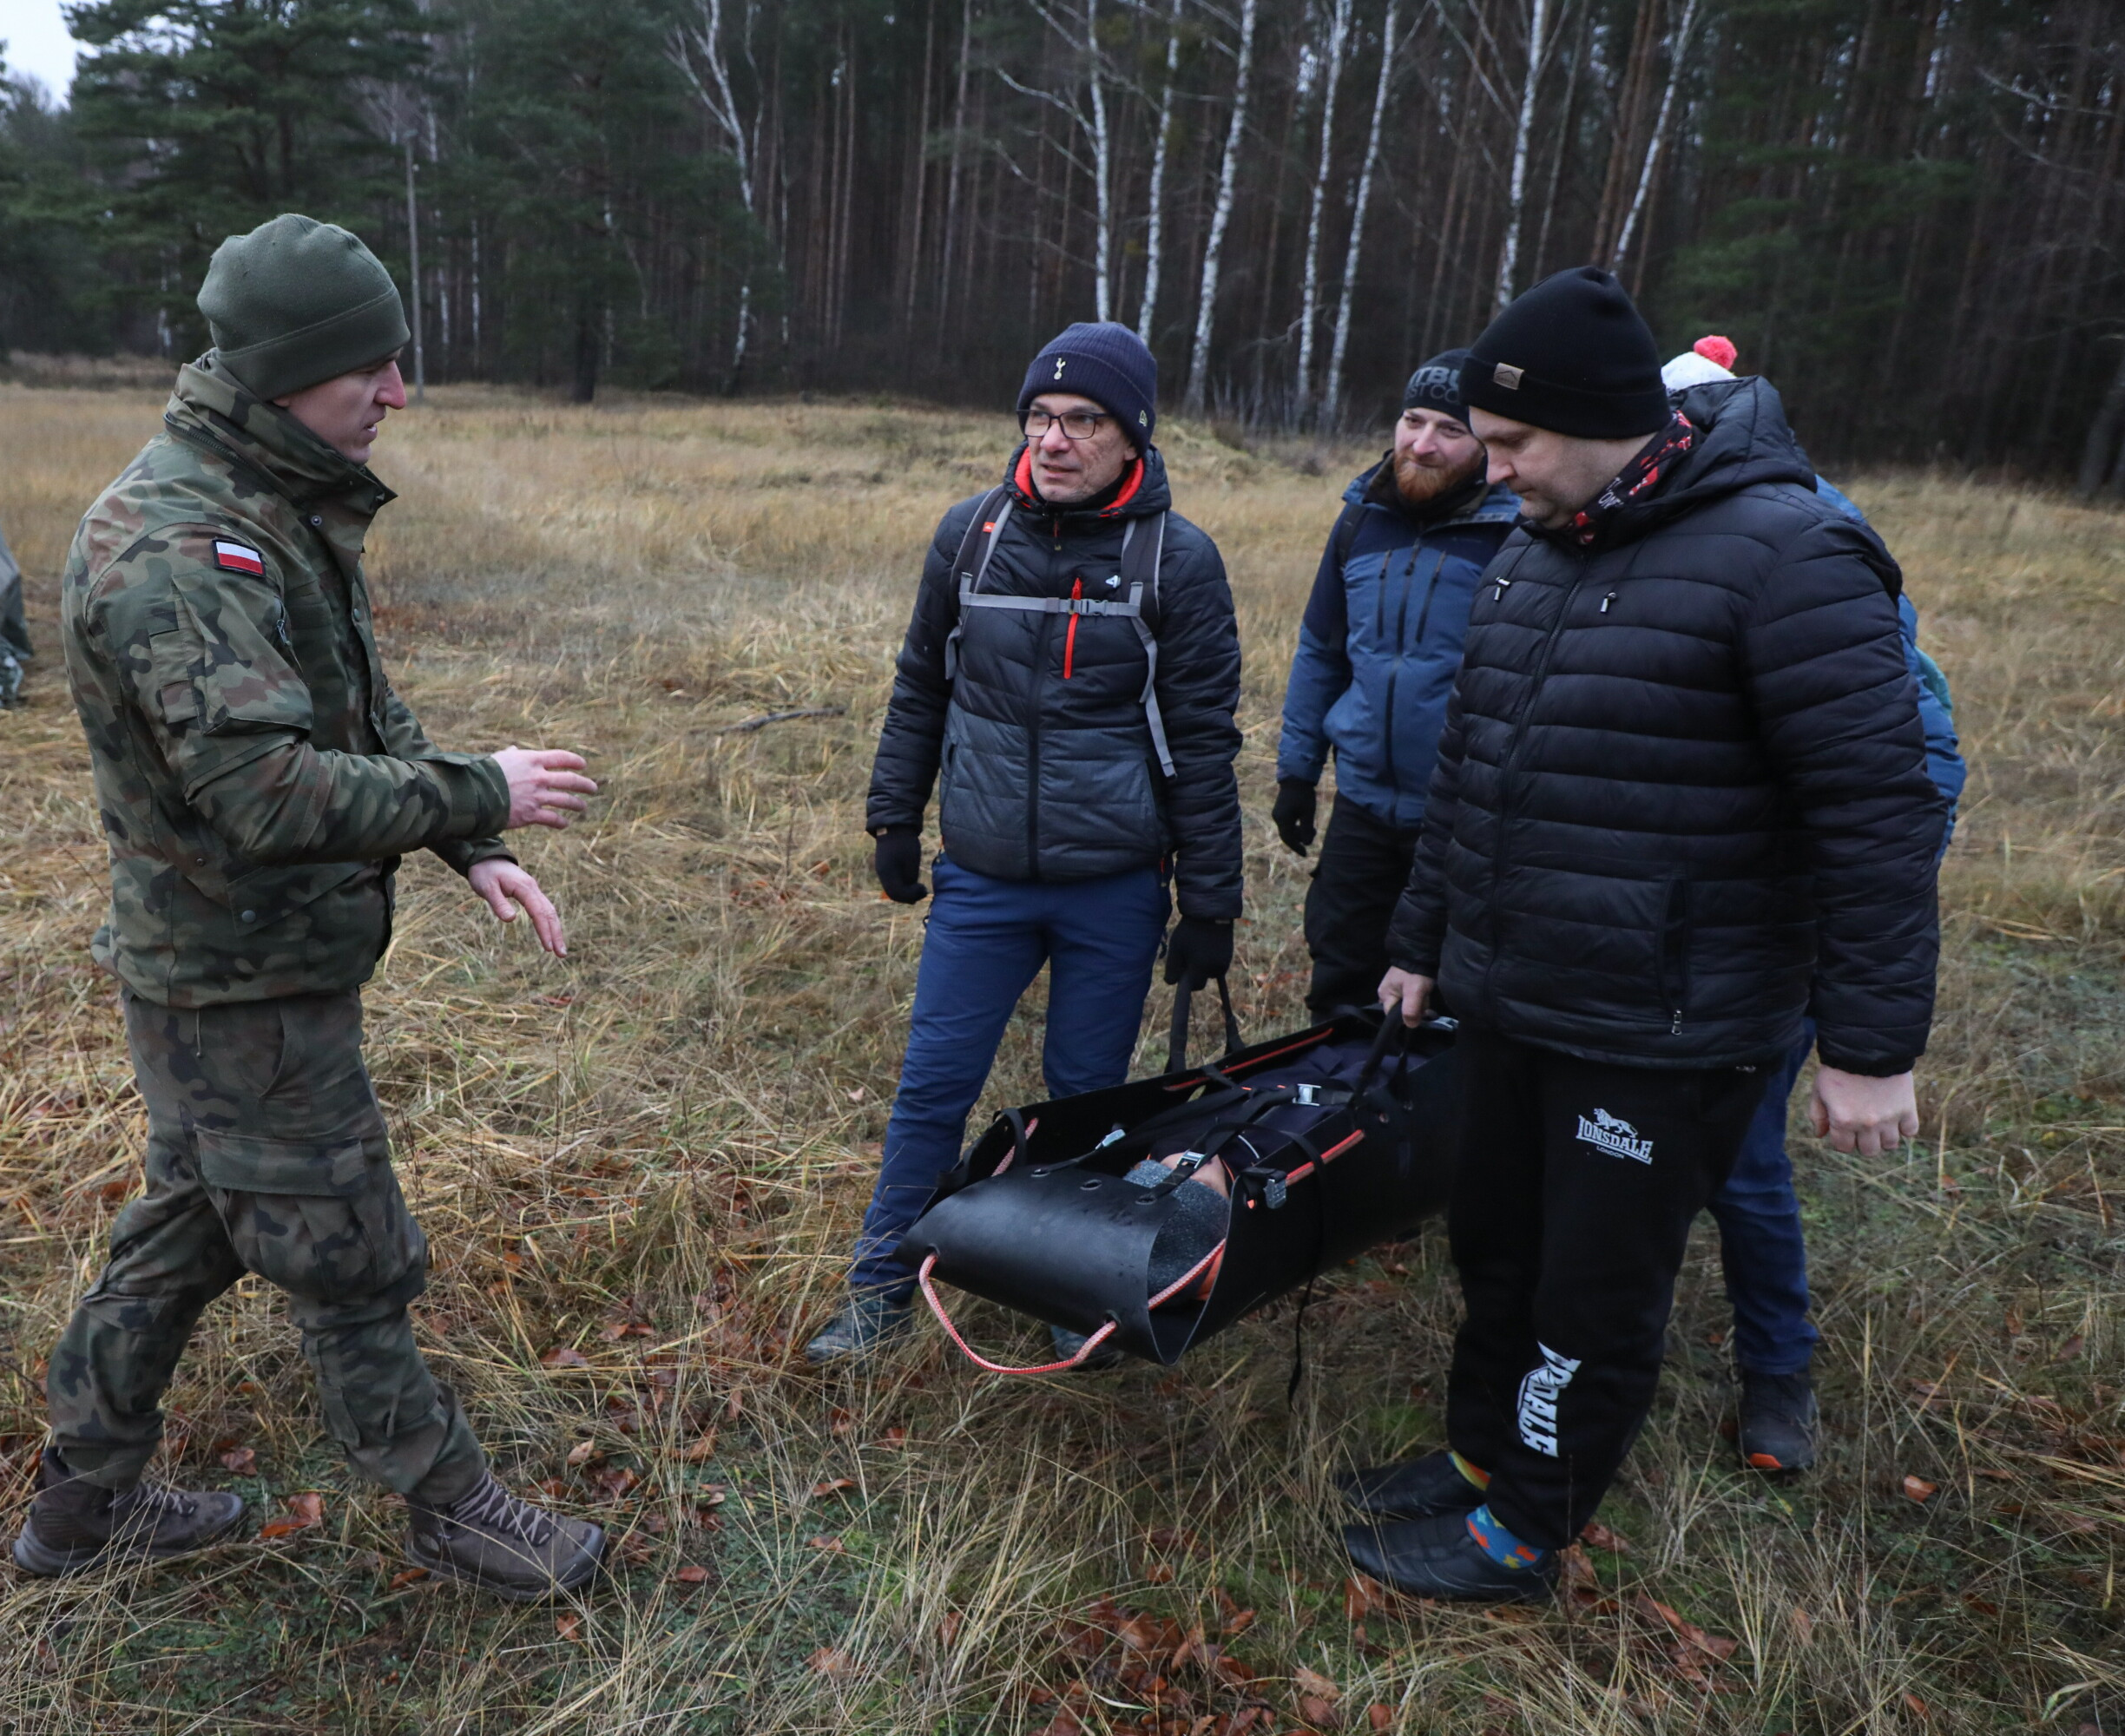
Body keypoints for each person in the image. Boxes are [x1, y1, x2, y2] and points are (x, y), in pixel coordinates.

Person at [10, 214, 609, 1601]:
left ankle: (77, 1516)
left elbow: (356, 705)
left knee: (182, 1238)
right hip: (237, 983)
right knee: (348, 1250)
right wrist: (486, 788)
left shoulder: (273, 493)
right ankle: (453, 1507)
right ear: (289, 371)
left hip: (246, 968)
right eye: (375, 368)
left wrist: (470, 843)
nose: (399, 392)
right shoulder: (174, 544)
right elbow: (267, 797)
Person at [1339, 267, 1946, 1602]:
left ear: (1606, 418)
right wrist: (1424, 933)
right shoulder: (1539, 545)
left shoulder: (1793, 555)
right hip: (1513, 991)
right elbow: (1471, 771)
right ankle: (1483, 1462)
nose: (1491, 474)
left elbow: (1875, 812)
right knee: (1494, 1250)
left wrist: (1872, 1044)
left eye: (1512, 445)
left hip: (1667, 1023)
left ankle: (1526, 1533)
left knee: (1590, 1291)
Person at [806, 321, 1246, 1371]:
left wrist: (1212, 900)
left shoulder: (1175, 560)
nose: (1055, 440)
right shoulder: (971, 535)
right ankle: (879, 1285)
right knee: (933, 1084)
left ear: (1130, 433)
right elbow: (922, 686)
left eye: (1082, 420)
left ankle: (1067, 1290)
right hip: (984, 881)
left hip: (1113, 888)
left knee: (1085, 1100)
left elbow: (1202, 738)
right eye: (1040, 418)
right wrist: (892, 816)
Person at [1657, 339, 1967, 1473]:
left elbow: (1889, 798)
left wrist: (1860, 1021)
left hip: (1767, 923)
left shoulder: (1807, 547)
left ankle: (1777, 1375)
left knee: (1740, 1158)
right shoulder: (1640, 528)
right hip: (1666, 917)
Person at [1273, 351, 1523, 1014]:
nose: (1422, 443)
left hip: (1458, 818)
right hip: (1359, 806)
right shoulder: (1359, 522)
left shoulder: (1516, 536)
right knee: (1341, 973)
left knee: (1440, 993)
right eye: (1412, 421)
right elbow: (1320, 652)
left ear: (1485, 443)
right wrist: (1298, 773)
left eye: (1450, 429)